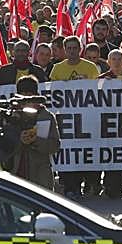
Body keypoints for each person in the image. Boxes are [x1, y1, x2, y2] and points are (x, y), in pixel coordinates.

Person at [50, 36, 100, 199]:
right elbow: (52, 93)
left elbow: (97, 92)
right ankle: (71, 186)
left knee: (85, 151)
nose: (72, 51)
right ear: (65, 50)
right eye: (69, 48)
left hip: (87, 118)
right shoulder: (57, 69)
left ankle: (89, 183)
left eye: (74, 48)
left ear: (80, 49)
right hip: (66, 119)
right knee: (70, 152)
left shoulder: (91, 67)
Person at [9, 75, 60, 190]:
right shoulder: (11, 115)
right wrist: (19, 140)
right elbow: (3, 145)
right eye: (23, 96)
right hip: (16, 173)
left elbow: (55, 145)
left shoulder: (46, 116)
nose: (27, 100)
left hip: (40, 176)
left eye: (30, 95)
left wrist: (35, 141)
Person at [98, 49, 122, 199]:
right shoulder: (101, 80)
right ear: (108, 62)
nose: (117, 61)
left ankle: (119, 186)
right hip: (108, 123)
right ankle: (108, 185)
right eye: (113, 59)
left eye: (120, 58)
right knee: (109, 155)